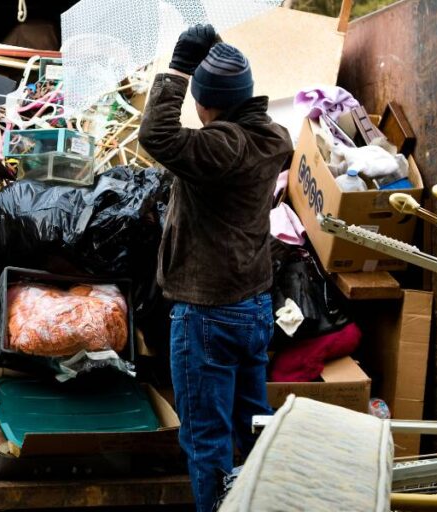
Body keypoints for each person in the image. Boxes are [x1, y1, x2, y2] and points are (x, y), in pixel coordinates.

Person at [139, 24, 294, 512]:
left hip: (207, 315)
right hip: (253, 308)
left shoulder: (219, 149)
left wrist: (181, 68)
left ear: (205, 102)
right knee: (255, 427)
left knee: (208, 441)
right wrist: (223, 58)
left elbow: (155, 134)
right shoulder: (274, 137)